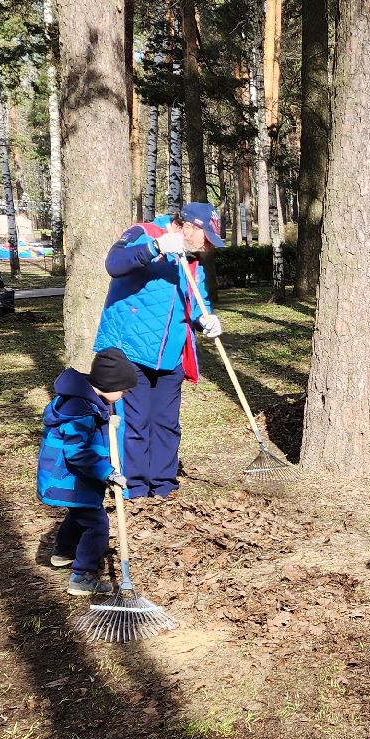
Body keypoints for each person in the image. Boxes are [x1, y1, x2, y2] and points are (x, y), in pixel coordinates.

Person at [93, 202, 226, 499]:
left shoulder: (192, 261)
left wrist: (206, 320)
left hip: (171, 353)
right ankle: (135, 487)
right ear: (188, 226)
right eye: (206, 239)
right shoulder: (143, 233)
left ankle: (163, 485)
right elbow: (113, 264)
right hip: (130, 349)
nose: (207, 248)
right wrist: (154, 248)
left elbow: (198, 300)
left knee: (166, 423)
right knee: (135, 422)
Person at [37, 348, 136, 597]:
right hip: (68, 479)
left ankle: (63, 551)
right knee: (97, 524)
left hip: (69, 478)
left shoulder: (86, 399)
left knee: (80, 515)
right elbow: (77, 452)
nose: (125, 394)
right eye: (123, 390)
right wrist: (107, 472)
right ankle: (82, 577)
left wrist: (106, 422)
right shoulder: (80, 410)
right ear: (108, 384)